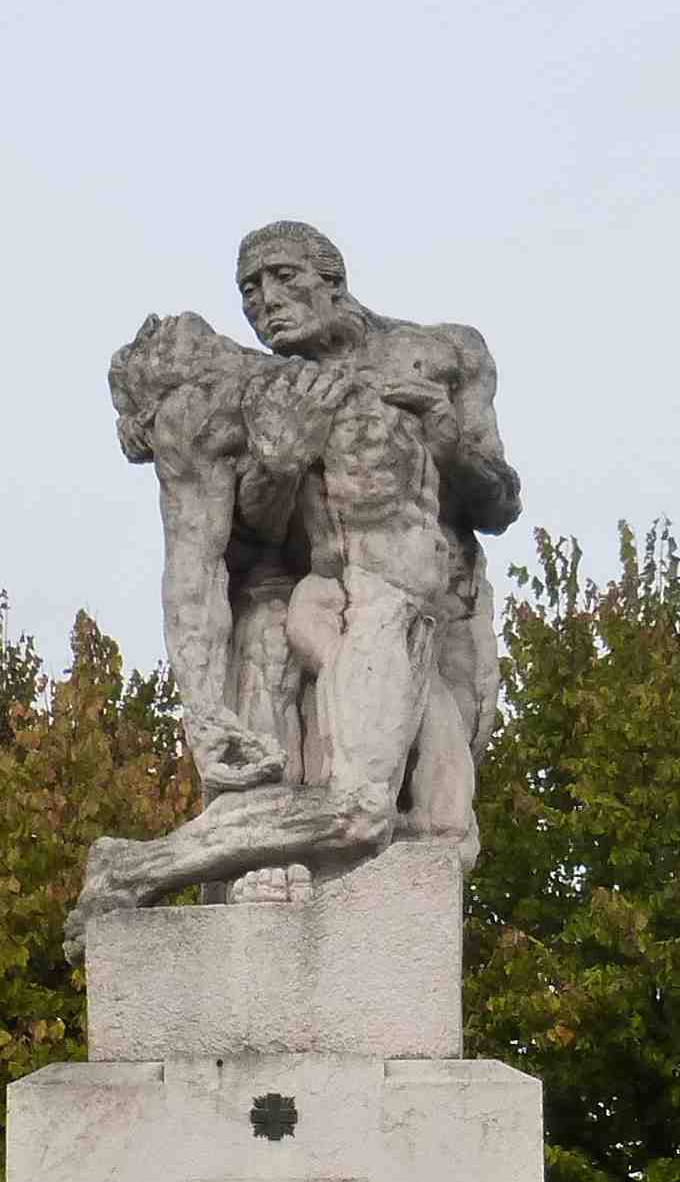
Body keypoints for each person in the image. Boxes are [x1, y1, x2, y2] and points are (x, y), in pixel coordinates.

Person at [81, 221, 519, 930]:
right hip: (331, 597)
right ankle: (243, 864)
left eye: (281, 278)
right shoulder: (270, 394)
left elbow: (498, 502)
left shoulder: (441, 352)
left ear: (331, 278)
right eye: (250, 290)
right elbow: (249, 542)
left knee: (444, 827)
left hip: (439, 606)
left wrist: (442, 431)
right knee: (276, 653)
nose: (265, 303)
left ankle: (173, 866)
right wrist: (282, 462)